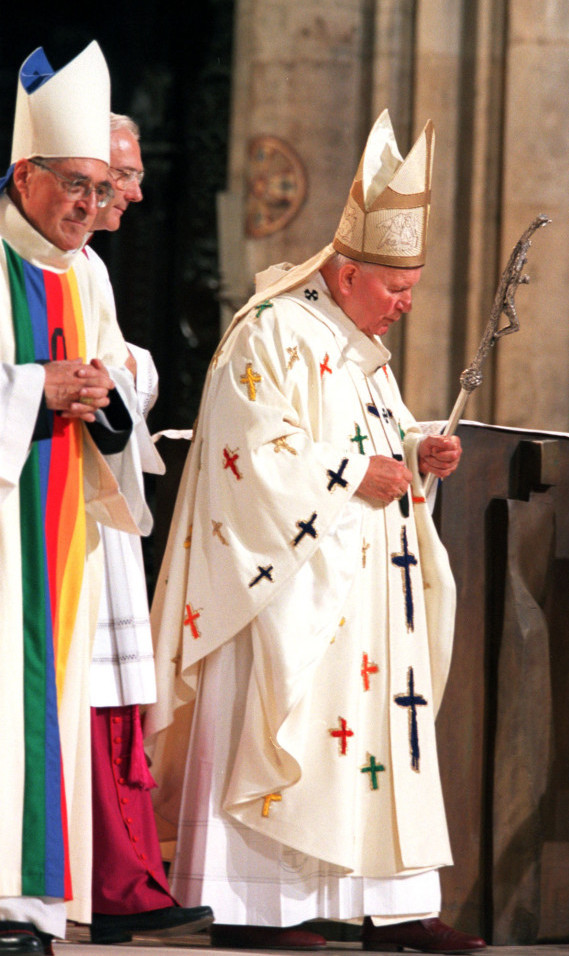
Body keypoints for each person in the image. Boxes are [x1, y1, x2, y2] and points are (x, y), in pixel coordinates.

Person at [145, 109, 487, 952]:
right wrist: (349, 475)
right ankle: (260, 908)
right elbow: (248, 449)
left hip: (370, 589)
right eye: (394, 287)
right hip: (293, 586)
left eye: (410, 288)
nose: (406, 303)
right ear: (343, 273)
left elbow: (375, 442)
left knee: (377, 740)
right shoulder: (271, 330)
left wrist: (417, 451)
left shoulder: (357, 346)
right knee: (292, 732)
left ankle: (391, 905)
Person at [0, 41, 155, 955]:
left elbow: (119, 383)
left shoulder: (85, 269)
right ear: (27, 171)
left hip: (60, 529)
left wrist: (103, 394)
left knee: (42, 707)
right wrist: (30, 391)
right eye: (77, 188)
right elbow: (35, 379)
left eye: (103, 192)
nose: (92, 211)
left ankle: (28, 908)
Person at [84, 113, 213, 945]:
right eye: (117, 178)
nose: (134, 191)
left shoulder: (85, 266)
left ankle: (126, 878)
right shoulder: (33, 263)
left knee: (115, 698)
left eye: (126, 178)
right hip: (53, 504)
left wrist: (128, 370)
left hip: (98, 500)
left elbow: (115, 361)